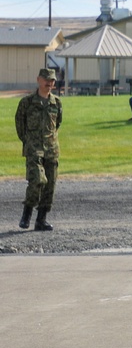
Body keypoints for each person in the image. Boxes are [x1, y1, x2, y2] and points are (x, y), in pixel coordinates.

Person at [15, 68, 62, 231]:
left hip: (51, 149)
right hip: (34, 149)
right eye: (46, 80)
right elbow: (20, 127)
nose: (49, 83)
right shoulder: (27, 103)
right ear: (38, 80)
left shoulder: (56, 102)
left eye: (52, 81)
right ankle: (27, 213)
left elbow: (57, 124)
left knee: (50, 185)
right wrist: (29, 142)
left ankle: (41, 219)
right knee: (37, 180)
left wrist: (50, 141)